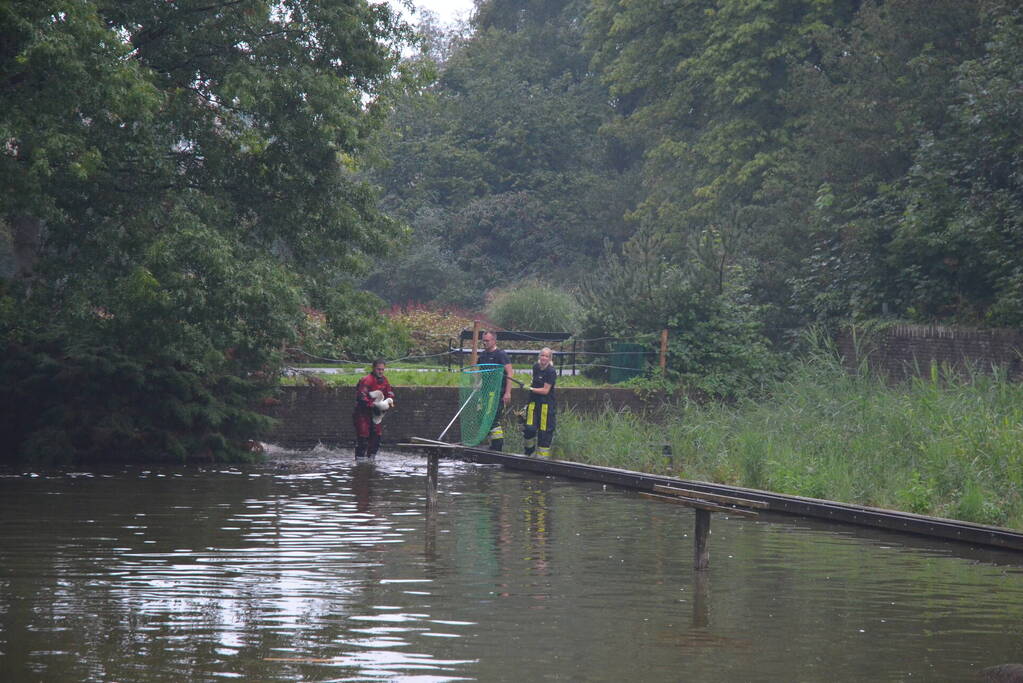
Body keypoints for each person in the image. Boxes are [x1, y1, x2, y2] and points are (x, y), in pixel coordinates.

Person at [476, 330, 513, 451]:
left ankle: (497, 447)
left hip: (497, 393)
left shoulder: (501, 355)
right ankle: (492, 443)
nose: (485, 343)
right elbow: (479, 373)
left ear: (494, 341)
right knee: (483, 416)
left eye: (487, 341)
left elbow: (510, 373)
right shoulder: (482, 356)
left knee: (492, 418)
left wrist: (507, 392)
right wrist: (477, 385)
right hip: (485, 392)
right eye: (483, 341)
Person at [352, 359, 395, 460]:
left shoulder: (385, 380)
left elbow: (389, 393)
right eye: (378, 369)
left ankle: (371, 461)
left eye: (382, 369)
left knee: (376, 437)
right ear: (373, 368)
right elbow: (362, 397)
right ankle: (360, 462)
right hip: (362, 414)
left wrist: (388, 403)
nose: (380, 371)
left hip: (376, 415)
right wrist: (373, 406)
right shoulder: (366, 380)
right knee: (363, 436)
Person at [522, 347, 557, 458]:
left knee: (544, 433)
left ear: (550, 358)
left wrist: (530, 389)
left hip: (545, 406)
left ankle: (542, 459)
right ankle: (529, 452)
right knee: (529, 429)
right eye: (542, 355)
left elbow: (545, 391)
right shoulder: (536, 367)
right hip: (533, 404)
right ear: (539, 356)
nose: (544, 358)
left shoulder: (551, 371)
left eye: (546, 356)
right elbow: (534, 382)